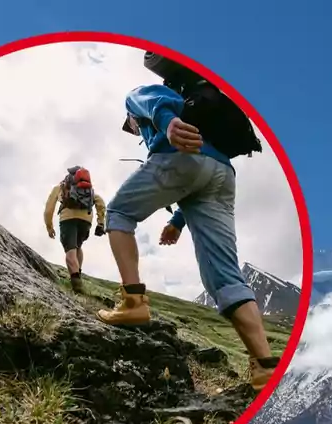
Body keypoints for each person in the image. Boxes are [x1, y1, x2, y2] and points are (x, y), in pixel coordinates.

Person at [99, 52, 280, 393]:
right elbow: (199, 180)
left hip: (180, 157)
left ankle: (133, 302)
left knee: (119, 213)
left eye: (130, 127)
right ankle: (265, 366)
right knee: (225, 276)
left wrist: (166, 123)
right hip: (222, 174)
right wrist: (178, 222)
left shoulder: (149, 97)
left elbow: (144, 99)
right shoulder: (203, 102)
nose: (132, 130)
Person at [43, 166, 107, 292]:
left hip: (68, 221)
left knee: (70, 253)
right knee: (78, 246)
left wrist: (49, 226)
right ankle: (78, 273)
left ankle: (77, 287)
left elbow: (48, 209)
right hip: (86, 222)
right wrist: (100, 222)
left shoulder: (60, 188)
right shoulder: (88, 190)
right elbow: (101, 203)